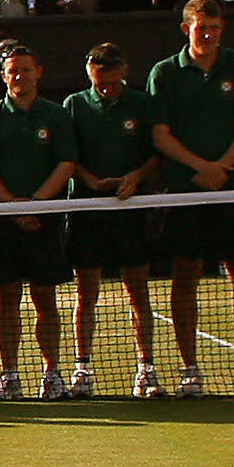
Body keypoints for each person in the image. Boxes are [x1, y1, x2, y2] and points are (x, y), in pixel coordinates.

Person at [149, 0, 234, 396]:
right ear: (187, 29)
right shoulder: (164, 72)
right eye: (203, 28)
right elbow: (160, 135)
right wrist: (201, 169)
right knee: (184, 279)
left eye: (216, 29)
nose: (210, 35)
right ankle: (189, 371)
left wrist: (224, 168)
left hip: (232, 191)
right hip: (186, 193)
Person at [0, 41, 76, 399]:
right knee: (7, 299)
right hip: (3, 222)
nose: (19, 76)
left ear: (38, 73)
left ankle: (51, 374)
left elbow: (65, 165)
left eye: (26, 70)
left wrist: (36, 205)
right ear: (3, 77)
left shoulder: (57, 115)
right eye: (13, 71)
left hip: (45, 222)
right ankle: (9, 374)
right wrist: (14, 208)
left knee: (45, 299)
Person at [63, 41, 161, 398]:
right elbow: (67, 156)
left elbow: (156, 155)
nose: (103, 87)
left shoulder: (141, 104)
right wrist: (91, 183)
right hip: (89, 211)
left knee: (138, 292)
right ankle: (82, 369)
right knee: (85, 294)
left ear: (123, 72)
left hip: (131, 211)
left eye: (109, 81)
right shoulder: (74, 105)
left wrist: (134, 178)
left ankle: (146, 369)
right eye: (97, 81)